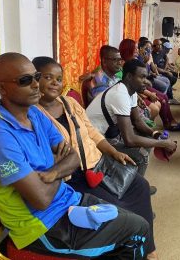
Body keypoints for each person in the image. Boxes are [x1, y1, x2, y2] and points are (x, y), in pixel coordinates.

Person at [0, 52, 149, 259]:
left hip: (67, 199)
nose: (35, 85)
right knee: (137, 232)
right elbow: (40, 200)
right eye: (25, 80)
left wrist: (50, 174)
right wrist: (58, 168)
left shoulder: (34, 114)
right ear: (1, 88)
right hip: (42, 227)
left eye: (36, 77)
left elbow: (73, 156)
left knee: (134, 218)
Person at [32, 57, 158, 258]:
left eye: (59, 78)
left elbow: (91, 131)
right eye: (48, 77)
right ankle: (134, 238)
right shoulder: (31, 114)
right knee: (118, 208)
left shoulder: (69, 102)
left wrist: (113, 151)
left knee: (140, 185)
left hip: (97, 164)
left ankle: (148, 249)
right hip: (72, 177)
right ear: (34, 79)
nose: (56, 83)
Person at [86, 59, 178, 174]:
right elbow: (129, 140)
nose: (146, 81)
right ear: (129, 77)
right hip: (95, 139)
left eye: (146, 77)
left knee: (148, 138)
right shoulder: (120, 94)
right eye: (142, 77)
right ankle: (136, 186)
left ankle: (134, 180)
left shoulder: (131, 91)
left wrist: (155, 134)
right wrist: (163, 143)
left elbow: (137, 121)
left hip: (110, 132)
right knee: (140, 155)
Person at [151, 39, 180, 105]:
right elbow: (155, 68)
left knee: (174, 76)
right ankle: (170, 97)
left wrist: (166, 68)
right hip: (159, 72)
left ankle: (168, 93)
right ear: (155, 46)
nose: (161, 46)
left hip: (163, 70)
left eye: (161, 45)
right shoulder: (152, 55)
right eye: (159, 45)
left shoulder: (161, 52)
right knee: (169, 78)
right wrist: (166, 71)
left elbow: (166, 58)